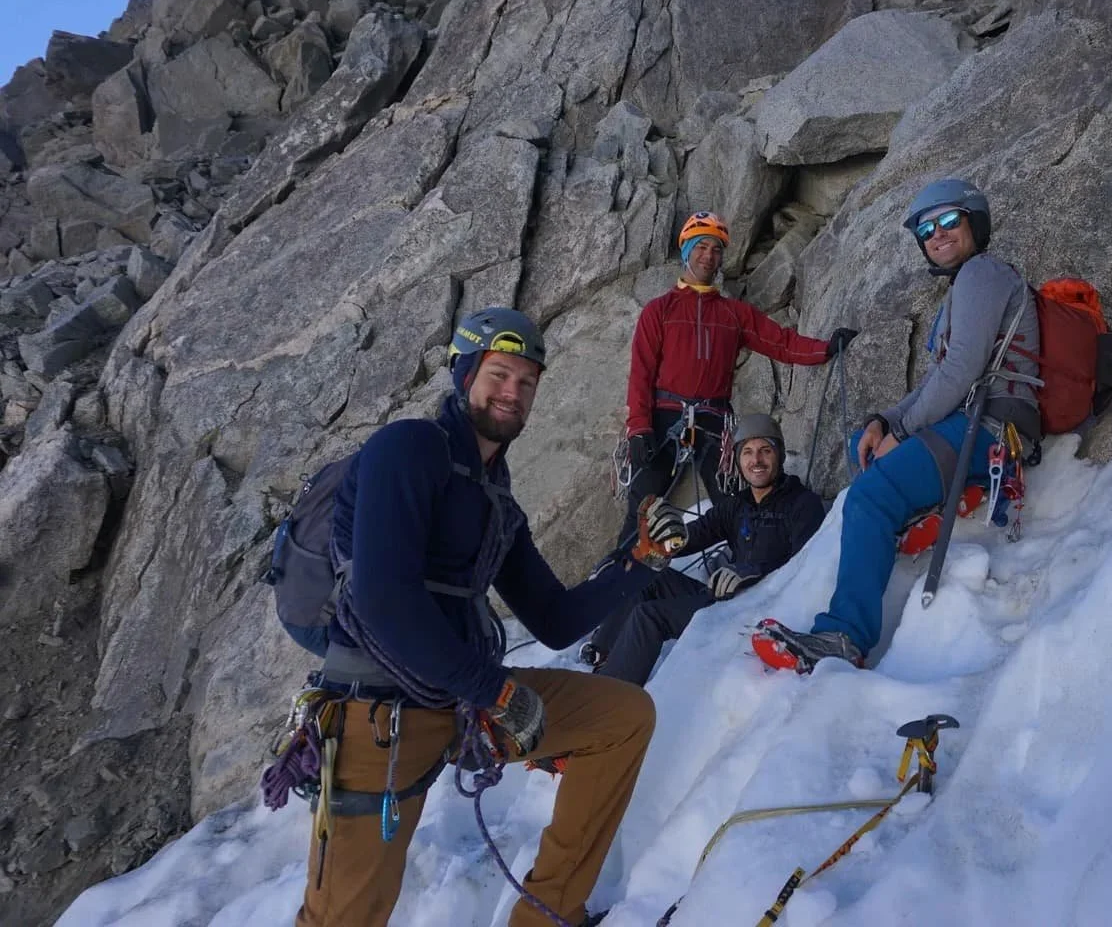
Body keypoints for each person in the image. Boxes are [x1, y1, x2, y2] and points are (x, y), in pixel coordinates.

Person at [298, 307, 686, 927]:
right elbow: (381, 598)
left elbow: (555, 619)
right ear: (464, 375)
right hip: (379, 713)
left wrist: (638, 561)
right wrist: (495, 689)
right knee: (343, 917)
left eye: (527, 381)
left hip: (462, 704)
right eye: (499, 375)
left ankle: (547, 915)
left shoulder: (495, 498)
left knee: (622, 717)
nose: (513, 392)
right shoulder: (408, 449)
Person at [750, 179, 1041, 673]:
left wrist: (901, 434)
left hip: (991, 429)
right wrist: (883, 421)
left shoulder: (982, 274)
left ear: (976, 222)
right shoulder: (966, 287)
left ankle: (844, 636)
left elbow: (959, 373)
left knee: (868, 495)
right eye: (927, 228)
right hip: (974, 424)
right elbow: (939, 380)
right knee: (862, 446)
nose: (938, 233)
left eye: (950, 220)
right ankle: (938, 503)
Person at [617, 210, 858, 543]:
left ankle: (740, 570)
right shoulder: (659, 311)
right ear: (686, 250)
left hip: (713, 418)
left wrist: (827, 349)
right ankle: (625, 583)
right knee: (645, 507)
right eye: (701, 247)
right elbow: (641, 373)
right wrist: (639, 429)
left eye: (716, 250)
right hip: (663, 417)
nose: (709, 256)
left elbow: (781, 342)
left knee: (730, 503)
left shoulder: (734, 314)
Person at [583, 414, 824, 685]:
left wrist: (753, 572)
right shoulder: (738, 506)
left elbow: (806, 567)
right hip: (724, 596)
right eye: (747, 452)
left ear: (778, 454)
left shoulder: (802, 504)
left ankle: (612, 697)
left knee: (649, 616)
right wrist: (651, 545)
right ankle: (601, 653)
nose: (756, 461)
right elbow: (692, 536)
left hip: (757, 608)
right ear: (738, 460)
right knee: (650, 577)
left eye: (765, 451)